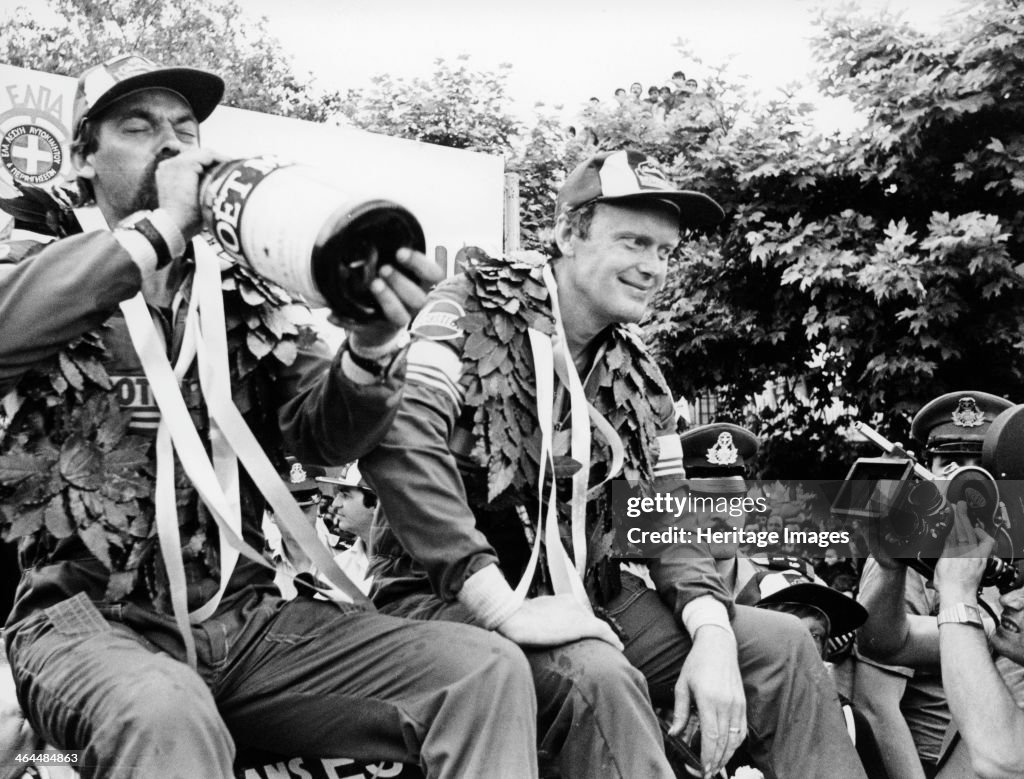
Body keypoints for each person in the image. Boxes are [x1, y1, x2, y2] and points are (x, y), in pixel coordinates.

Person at [0, 54, 536, 779]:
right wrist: (161, 228)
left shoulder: (243, 295)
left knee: (481, 670)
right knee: (162, 709)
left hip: (245, 624)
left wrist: (374, 346)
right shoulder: (38, 260)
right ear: (83, 157)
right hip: (89, 623)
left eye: (185, 127)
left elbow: (324, 433)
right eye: (138, 125)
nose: (171, 143)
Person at [362, 149, 866, 778]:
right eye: (634, 241)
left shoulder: (638, 373)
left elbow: (666, 517)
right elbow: (402, 442)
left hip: (589, 596)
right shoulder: (467, 308)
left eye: (665, 251)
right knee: (595, 675)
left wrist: (710, 630)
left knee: (783, 645)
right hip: (448, 596)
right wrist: (501, 606)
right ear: (570, 233)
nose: (654, 268)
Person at [854, 391, 1012, 779]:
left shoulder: (1010, 548)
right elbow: (876, 698)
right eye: (951, 467)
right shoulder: (910, 556)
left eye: (982, 469)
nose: (966, 484)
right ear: (927, 472)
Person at [317, 462, 377, 594]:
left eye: (345, 495)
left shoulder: (419, 566)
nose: (335, 503)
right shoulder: (339, 569)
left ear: (377, 504)